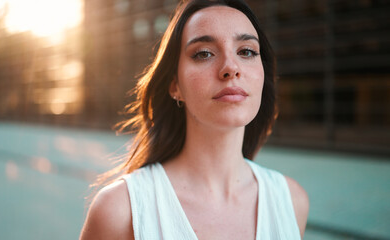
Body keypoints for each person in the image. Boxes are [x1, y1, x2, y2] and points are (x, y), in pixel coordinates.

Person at [80, 0, 309, 239]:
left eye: (246, 51)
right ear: (175, 85)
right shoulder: (120, 210)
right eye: (204, 54)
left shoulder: (292, 202)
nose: (231, 67)